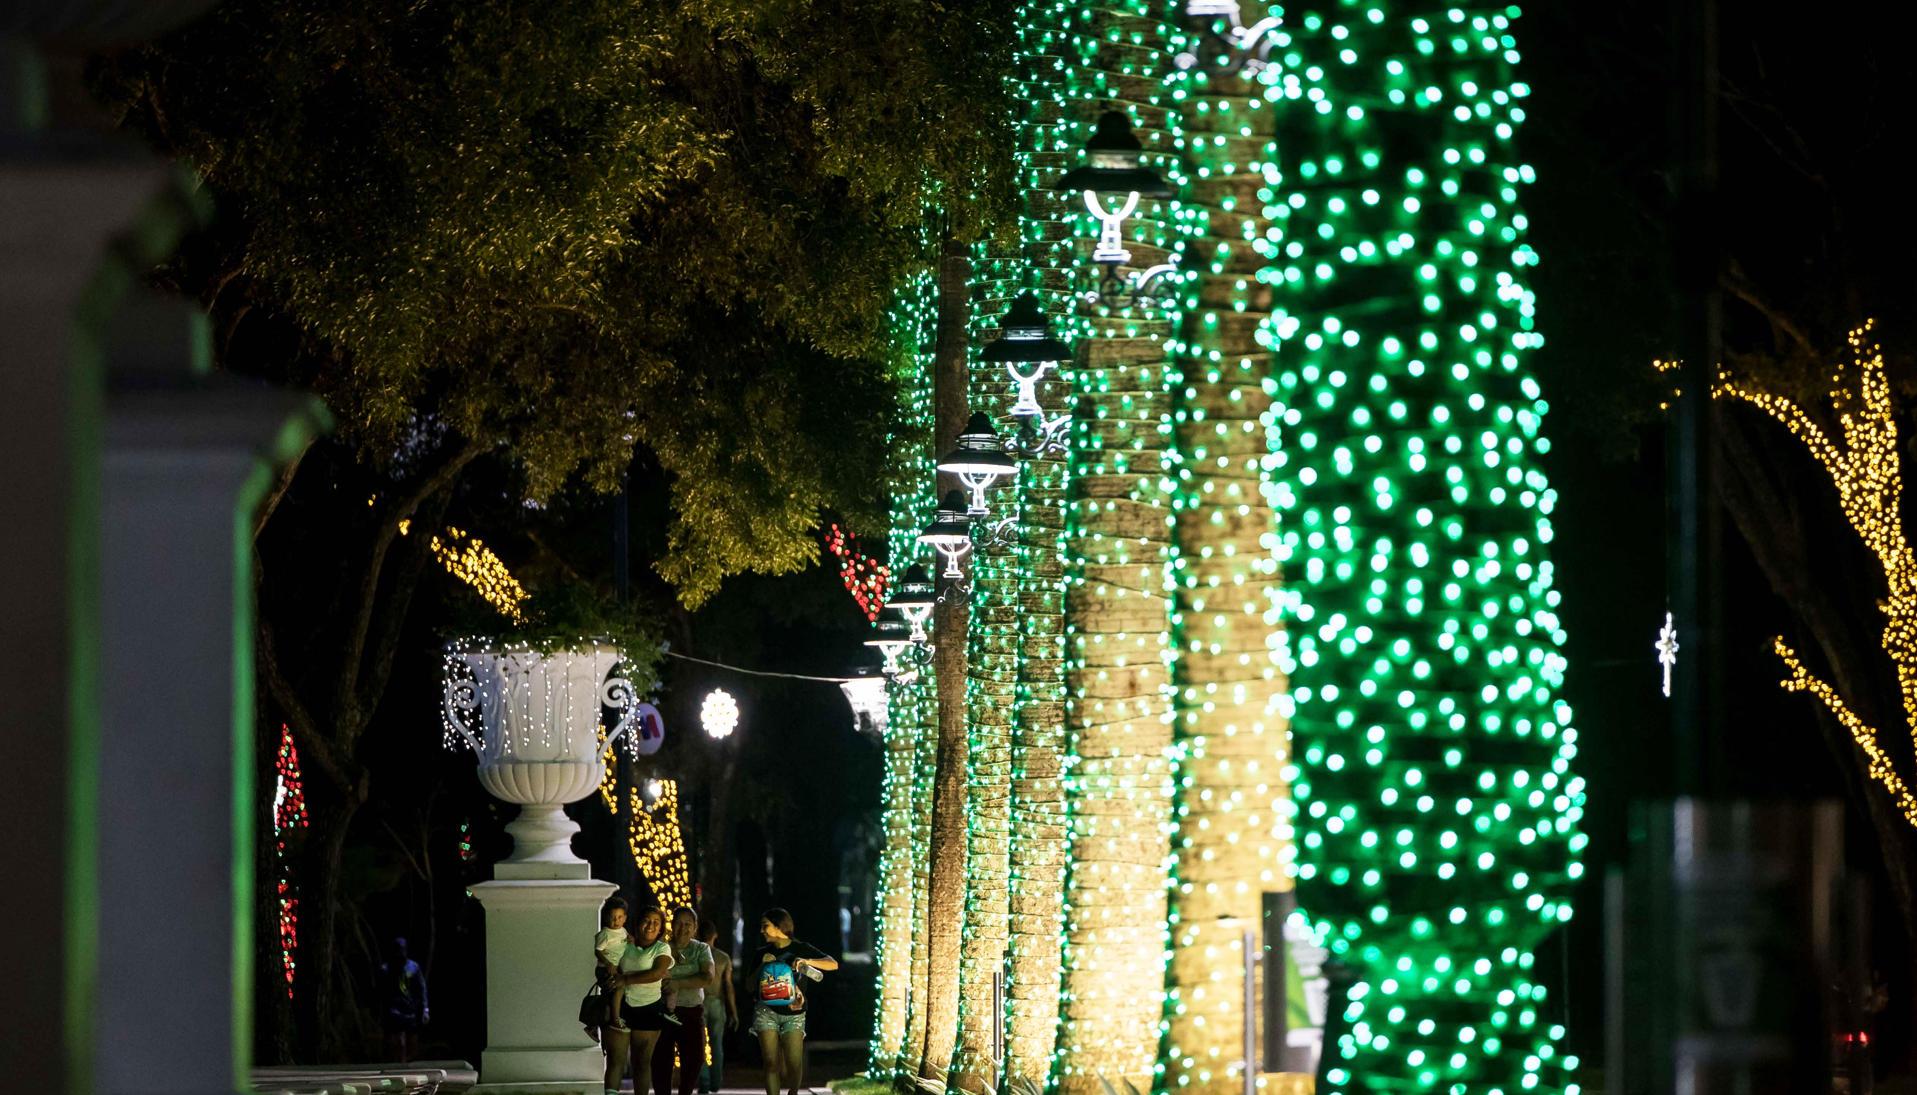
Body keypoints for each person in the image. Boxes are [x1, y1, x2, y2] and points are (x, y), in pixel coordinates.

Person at [750, 909, 837, 1095]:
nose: (761, 930)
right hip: (765, 1011)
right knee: (770, 1062)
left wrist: (807, 961)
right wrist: (762, 966)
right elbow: (749, 986)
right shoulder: (761, 953)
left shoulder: (801, 948)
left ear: (779, 926)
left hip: (794, 1013)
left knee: (794, 1063)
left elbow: (832, 963)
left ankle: (793, 1092)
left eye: (765, 925)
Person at [605, 906, 675, 1095]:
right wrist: (610, 974)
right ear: (637, 923)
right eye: (646, 920)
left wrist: (625, 978)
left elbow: (657, 973)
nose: (650, 925)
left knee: (642, 1064)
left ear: (661, 928)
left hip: (649, 1010)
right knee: (615, 1061)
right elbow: (607, 963)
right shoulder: (623, 944)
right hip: (621, 1007)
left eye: (656, 922)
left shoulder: (662, 948)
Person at [653, 907, 715, 1095]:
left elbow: (708, 977)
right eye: (679, 923)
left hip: (692, 1011)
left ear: (695, 928)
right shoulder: (662, 947)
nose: (683, 928)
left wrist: (677, 983)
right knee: (661, 1060)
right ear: (672, 925)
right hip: (664, 1012)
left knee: (694, 1058)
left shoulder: (701, 949)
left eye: (688, 924)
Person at [698, 918, 737, 1095]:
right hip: (717, 1002)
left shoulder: (696, 954)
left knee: (700, 1043)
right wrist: (733, 1012)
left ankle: (704, 1082)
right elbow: (728, 986)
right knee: (716, 1043)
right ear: (715, 935)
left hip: (698, 1001)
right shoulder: (723, 957)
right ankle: (716, 1081)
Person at [379, 936, 429, 1064]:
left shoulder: (413, 967)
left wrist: (425, 1009)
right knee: (398, 1044)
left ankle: (405, 1063)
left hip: (410, 1010)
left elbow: (421, 989)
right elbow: (380, 992)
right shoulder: (386, 969)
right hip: (393, 1011)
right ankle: (398, 1067)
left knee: (412, 1046)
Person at [595, 897, 632, 1033]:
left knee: (619, 992)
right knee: (618, 989)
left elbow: (625, 940)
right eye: (612, 917)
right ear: (606, 918)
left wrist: (631, 940)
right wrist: (607, 963)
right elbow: (597, 951)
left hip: (618, 967)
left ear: (625, 918)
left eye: (619, 917)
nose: (616, 921)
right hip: (606, 968)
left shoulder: (623, 931)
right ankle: (614, 1019)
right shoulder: (605, 934)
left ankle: (615, 1016)